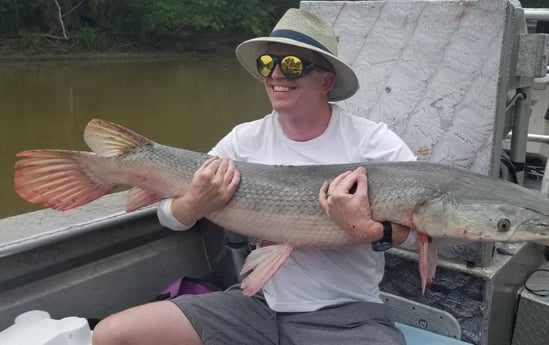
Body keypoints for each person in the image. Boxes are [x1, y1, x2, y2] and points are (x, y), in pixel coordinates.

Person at [91, 8, 418, 345]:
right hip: (258, 306)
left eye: (292, 65)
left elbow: (430, 233)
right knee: (112, 335)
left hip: (347, 315)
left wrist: (373, 231)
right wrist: (193, 204)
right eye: (267, 64)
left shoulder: (373, 142)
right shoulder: (243, 141)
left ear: (326, 81)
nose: (276, 74)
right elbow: (169, 217)